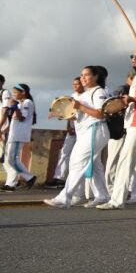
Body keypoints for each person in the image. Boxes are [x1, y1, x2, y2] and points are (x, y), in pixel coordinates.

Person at [97, 48, 136, 210]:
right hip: (132, 121)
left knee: (126, 161)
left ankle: (117, 200)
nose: (134, 59)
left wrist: (132, 99)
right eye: (133, 56)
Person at [45, 66, 111, 208]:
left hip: (95, 130)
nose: (83, 78)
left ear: (96, 77)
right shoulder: (84, 94)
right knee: (94, 165)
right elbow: (79, 117)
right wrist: (61, 114)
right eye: (82, 75)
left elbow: (101, 114)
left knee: (77, 162)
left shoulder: (99, 92)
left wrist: (80, 107)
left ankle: (65, 197)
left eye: (87, 75)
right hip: (86, 132)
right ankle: (103, 196)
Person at [2, 84, 36, 190]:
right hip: (14, 135)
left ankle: (29, 178)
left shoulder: (27, 103)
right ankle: (14, 183)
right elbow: (15, 121)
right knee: (10, 159)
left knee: (12, 159)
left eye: (16, 92)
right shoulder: (21, 103)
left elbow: (22, 118)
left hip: (19, 135)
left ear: (23, 93)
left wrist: (15, 106)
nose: (14, 95)